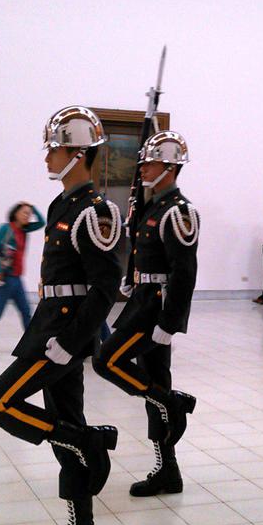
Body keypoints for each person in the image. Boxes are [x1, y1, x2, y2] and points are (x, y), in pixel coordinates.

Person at [0, 106, 121, 525]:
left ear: (78, 153)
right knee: (65, 429)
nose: (47, 158)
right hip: (49, 324)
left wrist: (72, 343)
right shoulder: (62, 205)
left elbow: (105, 288)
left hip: (62, 334)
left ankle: (88, 442)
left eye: (54, 150)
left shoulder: (96, 211)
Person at [94, 131, 198, 497]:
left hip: (155, 308)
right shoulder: (153, 206)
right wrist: (130, 277)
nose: (143, 168)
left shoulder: (179, 211)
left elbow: (184, 272)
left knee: (106, 361)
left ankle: (172, 402)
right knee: (155, 383)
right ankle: (168, 469)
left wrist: (171, 323)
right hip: (142, 299)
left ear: (170, 167)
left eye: (151, 162)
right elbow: (140, 247)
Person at [0, 201, 45, 356]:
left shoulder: (24, 230)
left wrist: (33, 208)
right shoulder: (5, 229)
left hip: (17, 279)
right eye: (24, 212)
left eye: (29, 214)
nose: (27, 216)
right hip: (7, 278)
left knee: (26, 312)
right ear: (15, 213)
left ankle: (32, 345)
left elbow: (41, 223)